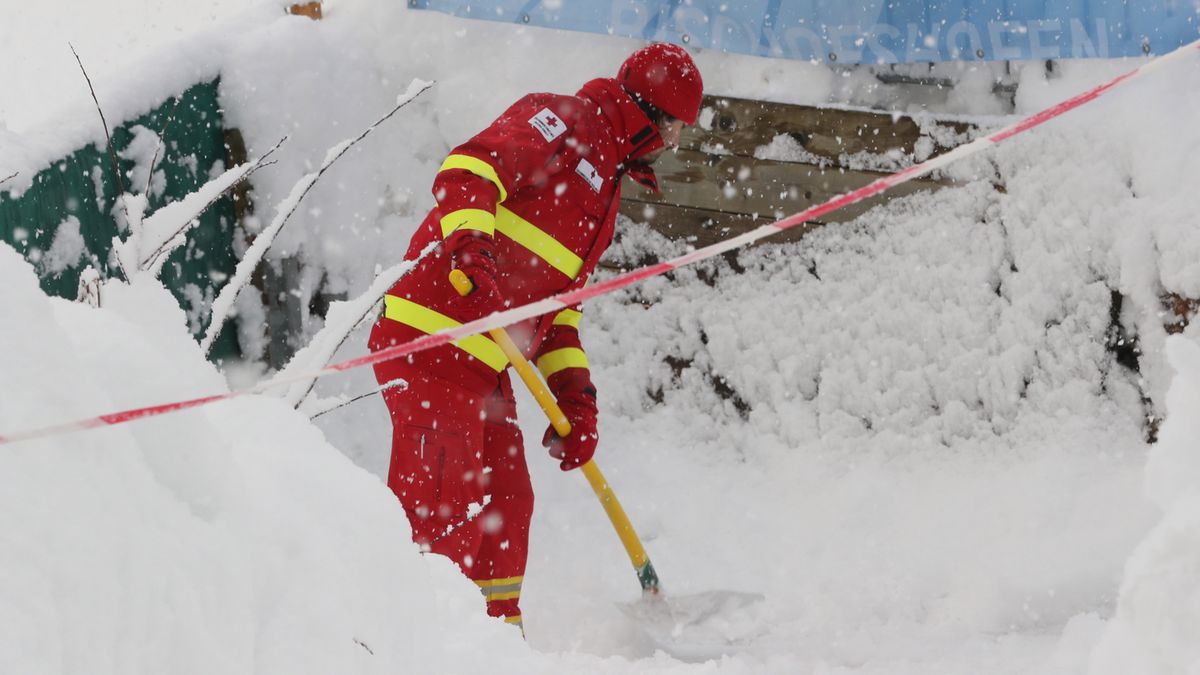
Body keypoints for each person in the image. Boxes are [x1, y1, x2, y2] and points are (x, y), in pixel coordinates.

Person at [367, 43, 703, 631]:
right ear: (650, 114)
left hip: (487, 362)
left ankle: (496, 638)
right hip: (433, 341)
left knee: (504, 502)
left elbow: (559, 313)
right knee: (444, 515)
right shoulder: (564, 121)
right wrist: (471, 246)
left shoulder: (604, 190)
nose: (674, 145)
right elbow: (469, 169)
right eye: (675, 127)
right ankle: (416, 641)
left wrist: (575, 393)